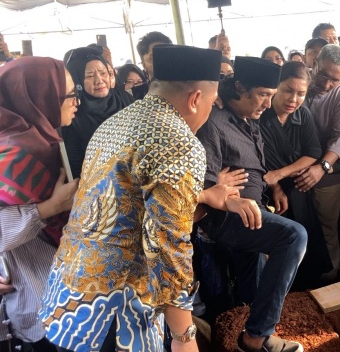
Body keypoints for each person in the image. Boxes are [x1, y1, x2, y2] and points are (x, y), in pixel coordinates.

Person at [39, 45, 240, 352]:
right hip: (114, 317)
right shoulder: (180, 143)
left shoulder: (113, 124)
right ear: (196, 99)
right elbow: (168, 244)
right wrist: (184, 336)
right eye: (212, 103)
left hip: (67, 304)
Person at [195, 56, 307, 352]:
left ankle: (248, 330)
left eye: (271, 96)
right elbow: (204, 184)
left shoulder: (247, 118)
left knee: (253, 288)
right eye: (262, 95)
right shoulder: (213, 123)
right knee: (294, 236)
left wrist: (275, 187)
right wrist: (226, 194)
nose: (268, 104)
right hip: (227, 218)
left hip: (254, 209)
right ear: (240, 88)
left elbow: (257, 166)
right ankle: (256, 337)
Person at [0, 57, 80, 352]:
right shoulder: (12, 155)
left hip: (68, 295)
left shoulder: (44, 141)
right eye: (69, 95)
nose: (76, 102)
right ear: (38, 97)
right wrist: (50, 208)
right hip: (36, 298)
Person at [260, 61, 332, 286]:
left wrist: (280, 174)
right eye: (288, 91)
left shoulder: (303, 115)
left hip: (297, 189)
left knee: (308, 249)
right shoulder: (260, 114)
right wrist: (275, 185)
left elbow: (313, 153)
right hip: (266, 190)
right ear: (276, 88)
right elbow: (254, 158)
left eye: (301, 93)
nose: (293, 99)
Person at [296, 44, 340, 281]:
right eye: (324, 75)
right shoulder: (298, 83)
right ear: (314, 62)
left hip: (327, 169)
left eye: (335, 79)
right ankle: (301, 276)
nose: (328, 84)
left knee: (327, 226)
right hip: (293, 167)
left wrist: (321, 168)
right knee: (298, 225)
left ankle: (330, 276)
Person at [61, 47, 134, 178]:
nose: (99, 80)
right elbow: (75, 163)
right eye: (89, 75)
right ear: (76, 80)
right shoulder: (72, 114)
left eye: (103, 73)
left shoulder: (125, 99)